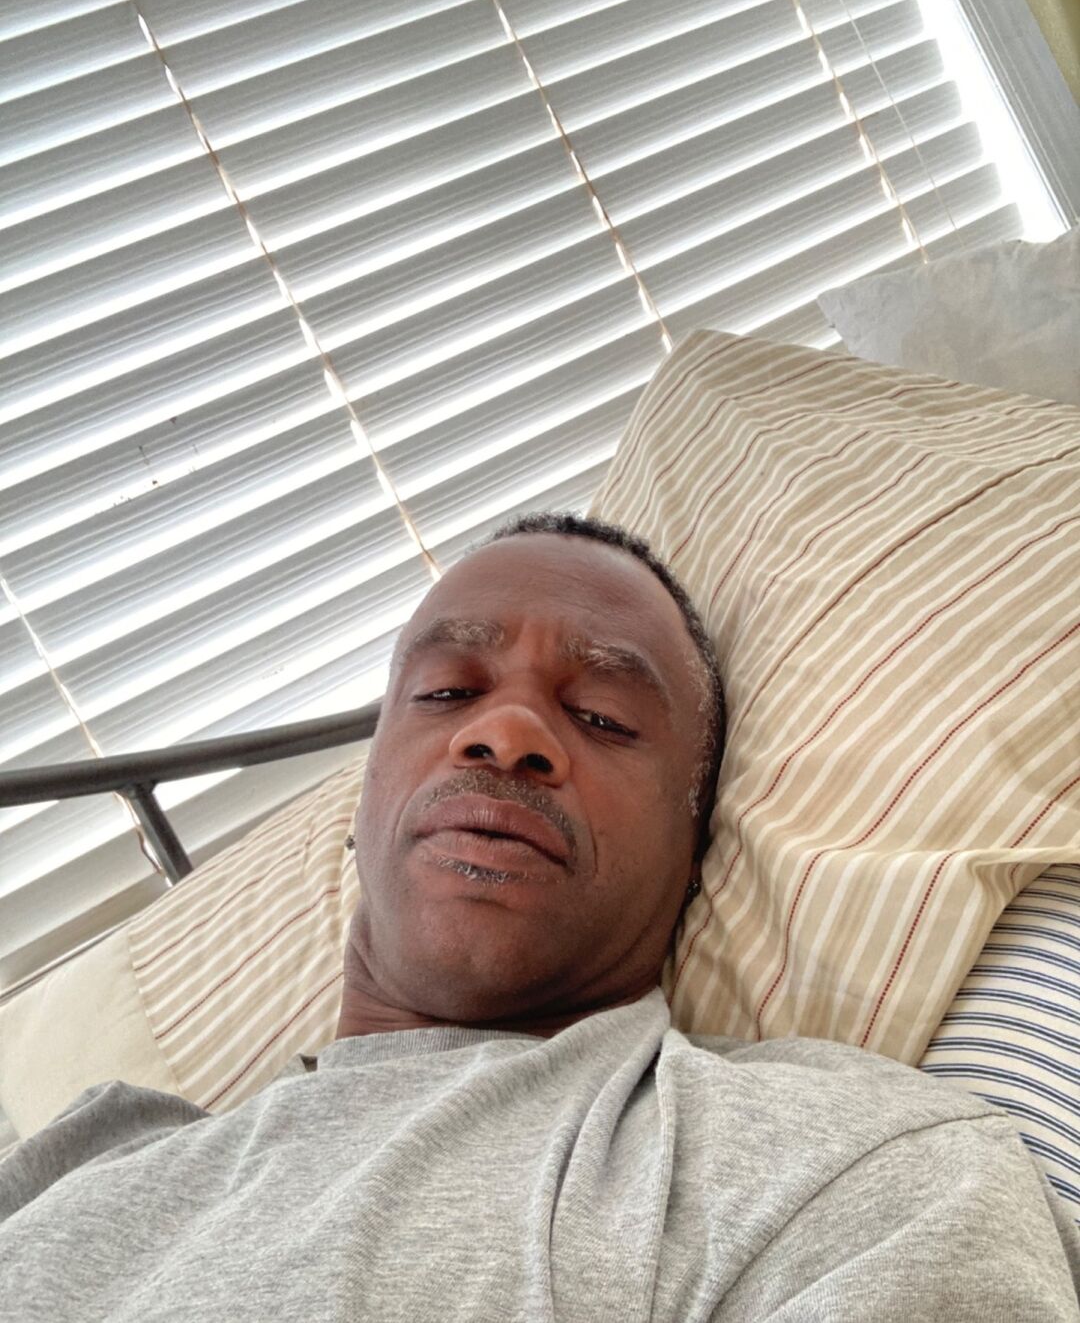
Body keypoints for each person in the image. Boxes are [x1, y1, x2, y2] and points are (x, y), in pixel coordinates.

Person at [1, 512, 1077, 1322]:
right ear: (359, 807)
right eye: (444, 692)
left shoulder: (842, 1167)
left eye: (602, 715)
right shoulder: (92, 1149)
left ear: (694, 847)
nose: (506, 730)